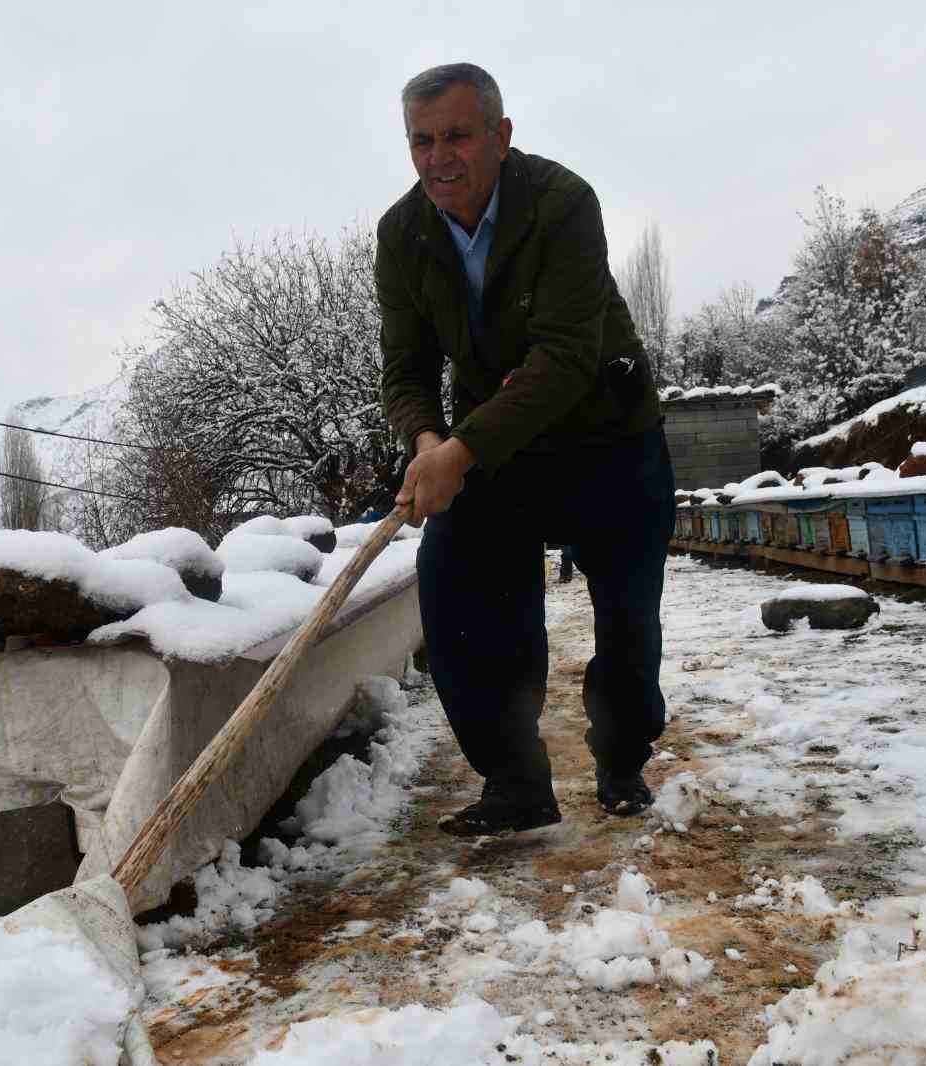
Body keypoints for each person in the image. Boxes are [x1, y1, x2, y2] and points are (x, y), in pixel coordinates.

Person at [376, 63, 675, 836]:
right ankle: (515, 784)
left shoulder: (562, 203)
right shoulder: (402, 235)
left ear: (502, 137)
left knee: (629, 620)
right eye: (422, 140)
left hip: (607, 432)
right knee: (456, 589)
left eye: (458, 136)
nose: (440, 157)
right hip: (497, 447)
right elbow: (406, 368)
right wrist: (425, 439)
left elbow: (566, 357)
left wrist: (462, 448)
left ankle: (620, 758)